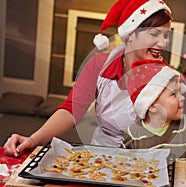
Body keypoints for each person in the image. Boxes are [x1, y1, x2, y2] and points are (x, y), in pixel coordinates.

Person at [4, 0, 175, 157]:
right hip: (98, 157)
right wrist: (32, 140)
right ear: (131, 34)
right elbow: (72, 109)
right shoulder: (99, 64)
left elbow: (170, 134)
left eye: (166, 35)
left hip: (142, 162)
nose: (163, 43)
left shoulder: (167, 77)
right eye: (154, 34)